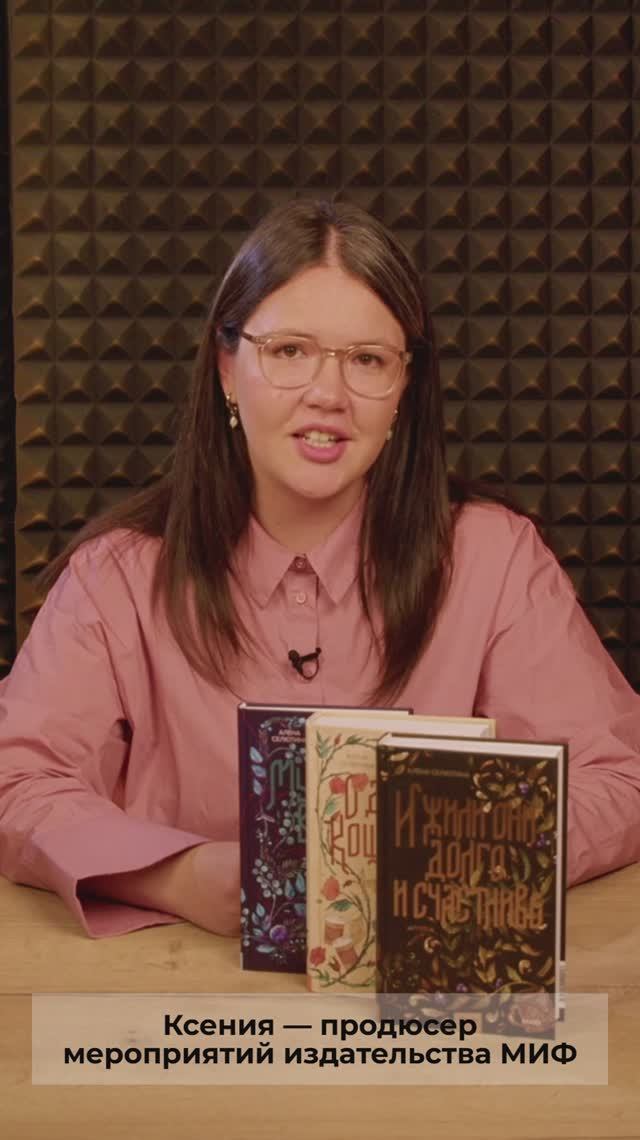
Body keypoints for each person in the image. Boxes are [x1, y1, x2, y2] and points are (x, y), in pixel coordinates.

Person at [0, 198, 639, 940]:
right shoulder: (114, 579)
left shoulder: (495, 560)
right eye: (289, 351)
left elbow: (618, 777)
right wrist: (179, 876)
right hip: (182, 991)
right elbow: (17, 781)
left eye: (367, 360)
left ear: (403, 387)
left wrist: (462, 855)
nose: (328, 395)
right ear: (228, 368)